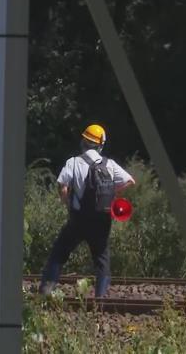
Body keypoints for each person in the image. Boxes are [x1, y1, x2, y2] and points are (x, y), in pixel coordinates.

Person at [39, 124, 136, 297]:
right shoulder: (110, 164)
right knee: (102, 260)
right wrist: (113, 195)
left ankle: (46, 290)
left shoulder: (73, 162)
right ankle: (100, 298)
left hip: (78, 219)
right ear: (100, 145)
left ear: (84, 142)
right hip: (102, 219)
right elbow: (130, 181)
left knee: (59, 253)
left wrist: (67, 203)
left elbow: (62, 185)